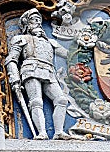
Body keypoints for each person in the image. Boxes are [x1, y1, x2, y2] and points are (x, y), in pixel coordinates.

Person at [5, 8, 71, 140]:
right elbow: (11, 59)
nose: (37, 23)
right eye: (33, 20)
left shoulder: (50, 42)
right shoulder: (21, 39)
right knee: (36, 102)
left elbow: (68, 55)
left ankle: (59, 132)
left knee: (61, 99)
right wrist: (15, 78)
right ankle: (42, 133)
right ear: (27, 25)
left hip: (49, 71)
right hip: (31, 69)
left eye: (39, 20)